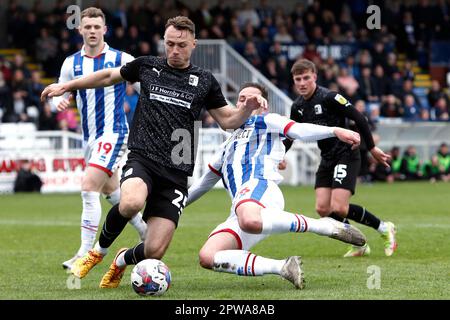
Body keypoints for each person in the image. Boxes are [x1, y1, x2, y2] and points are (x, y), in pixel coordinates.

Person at [41, 16, 265, 288]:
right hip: (143, 158)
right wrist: (68, 85)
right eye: (169, 44)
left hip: (176, 172)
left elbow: (228, 120)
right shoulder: (148, 66)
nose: (174, 50)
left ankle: (121, 260)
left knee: (154, 250)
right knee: (131, 202)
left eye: (181, 45)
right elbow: (109, 75)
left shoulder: (204, 81)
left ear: (193, 44)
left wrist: (247, 108)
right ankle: (96, 253)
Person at [187, 83, 366, 289]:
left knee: (249, 219)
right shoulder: (226, 145)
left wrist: (334, 130)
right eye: (242, 99)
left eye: (253, 99)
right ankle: (282, 267)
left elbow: (298, 130)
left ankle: (325, 226)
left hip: (261, 189)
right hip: (243, 207)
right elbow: (201, 185)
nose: (246, 102)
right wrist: (173, 208)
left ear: (263, 105)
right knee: (208, 256)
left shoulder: (267, 120)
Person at [48, 7, 147, 270]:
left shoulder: (121, 58)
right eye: (87, 27)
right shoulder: (71, 63)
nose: (92, 31)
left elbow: (144, 88)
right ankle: (146, 231)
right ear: (80, 29)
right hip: (89, 137)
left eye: (96, 27)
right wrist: (60, 101)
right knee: (111, 190)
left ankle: (84, 253)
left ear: (105, 30)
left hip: (113, 133)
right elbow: (61, 91)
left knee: (88, 185)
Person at [284, 59, 397, 257]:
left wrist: (371, 147)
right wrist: (281, 156)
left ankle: (384, 228)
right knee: (322, 209)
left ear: (315, 77)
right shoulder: (298, 107)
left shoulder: (330, 97)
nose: (302, 83)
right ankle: (359, 244)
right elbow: (291, 134)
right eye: (297, 79)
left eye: (306, 78)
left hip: (346, 153)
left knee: (339, 208)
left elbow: (359, 117)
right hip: (327, 157)